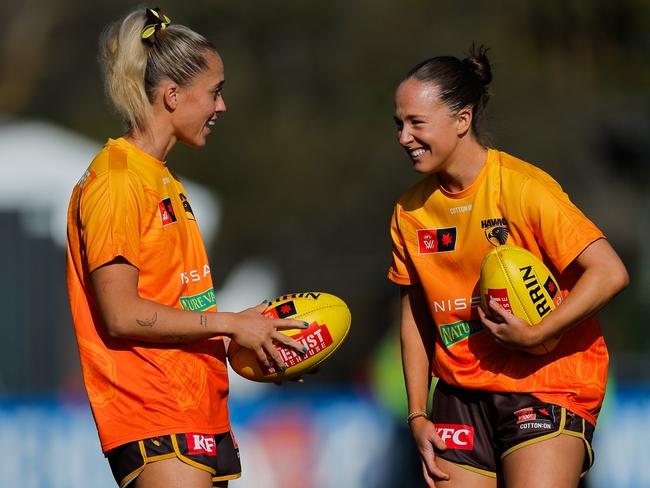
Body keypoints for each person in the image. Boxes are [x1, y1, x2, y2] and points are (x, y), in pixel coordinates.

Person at [66, 7, 308, 488]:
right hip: (155, 414)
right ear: (172, 96)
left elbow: (174, 305)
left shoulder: (162, 180)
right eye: (215, 92)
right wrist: (229, 322)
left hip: (196, 410)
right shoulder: (117, 181)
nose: (222, 107)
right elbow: (121, 312)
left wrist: (246, 336)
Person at [388, 45, 629, 487]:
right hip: (459, 393)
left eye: (416, 123)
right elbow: (415, 317)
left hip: (546, 382)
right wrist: (417, 414)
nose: (404, 136)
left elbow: (610, 271)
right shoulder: (409, 212)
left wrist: (540, 330)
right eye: (399, 124)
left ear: (462, 120)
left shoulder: (523, 190)